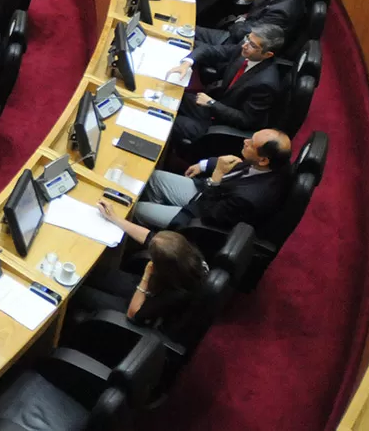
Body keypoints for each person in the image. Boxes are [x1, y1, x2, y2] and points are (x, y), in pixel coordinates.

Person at [126, 130, 294, 230]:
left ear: (264, 160)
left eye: (251, 144)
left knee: (135, 208)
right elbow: (237, 165)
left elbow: (209, 213)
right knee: (154, 177)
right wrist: (205, 165)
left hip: (199, 216)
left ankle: (151, 234)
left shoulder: (250, 198)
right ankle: (157, 215)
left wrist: (215, 178)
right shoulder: (271, 164)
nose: (245, 141)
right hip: (211, 194)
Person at [164, 27, 284, 151]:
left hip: (218, 126)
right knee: (167, 96)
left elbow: (247, 120)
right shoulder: (245, 50)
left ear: (267, 54)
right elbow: (212, 50)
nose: (245, 45)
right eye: (247, 38)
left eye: (253, 45)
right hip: (213, 108)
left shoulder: (265, 84)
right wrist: (187, 63)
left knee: (167, 120)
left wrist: (212, 104)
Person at [73, 221, 208, 327]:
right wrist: (114, 218)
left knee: (80, 292)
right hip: (153, 287)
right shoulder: (187, 255)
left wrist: (146, 275)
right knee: (94, 273)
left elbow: (133, 314)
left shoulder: (176, 294)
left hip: (142, 308)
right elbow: (150, 238)